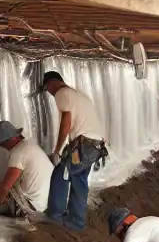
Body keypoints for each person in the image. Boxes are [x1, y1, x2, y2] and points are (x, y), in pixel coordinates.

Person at [42, 71, 109, 231]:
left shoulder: (62, 93)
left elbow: (66, 120)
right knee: (79, 180)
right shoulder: (80, 96)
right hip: (96, 146)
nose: (49, 93)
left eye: (47, 88)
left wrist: (57, 150)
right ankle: (76, 222)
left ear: (52, 83)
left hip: (84, 144)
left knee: (60, 174)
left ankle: (55, 216)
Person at [0, 120, 53, 218]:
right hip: (48, 202)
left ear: (7, 141)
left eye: (1, 144)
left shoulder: (17, 152)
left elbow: (3, 190)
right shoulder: (30, 145)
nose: (2, 148)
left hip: (33, 206)